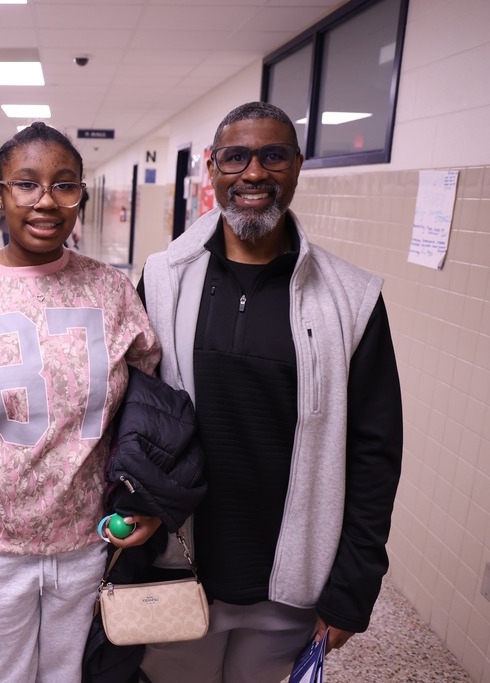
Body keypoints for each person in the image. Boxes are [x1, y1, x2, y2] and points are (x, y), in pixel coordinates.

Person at [138, 101, 403, 683]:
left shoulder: (351, 299)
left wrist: (352, 590)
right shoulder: (163, 280)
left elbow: (374, 455)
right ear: (212, 169)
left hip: (287, 584)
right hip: (178, 569)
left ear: (298, 167)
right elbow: (132, 418)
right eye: (236, 157)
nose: (254, 173)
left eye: (273, 155)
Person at [0, 121, 162, 682]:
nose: (46, 201)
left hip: (87, 545)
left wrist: (148, 497)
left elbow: (146, 412)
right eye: (26, 184)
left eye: (64, 185)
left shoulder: (111, 292)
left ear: (80, 195)